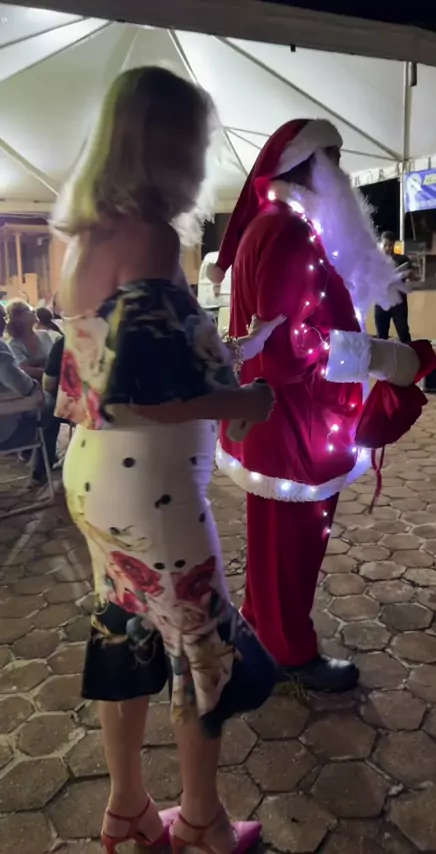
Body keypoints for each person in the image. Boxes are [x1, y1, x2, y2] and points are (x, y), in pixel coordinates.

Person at [52, 66, 283, 854]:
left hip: (94, 476)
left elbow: (97, 379)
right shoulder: (150, 236)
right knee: (202, 652)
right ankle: (204, 823)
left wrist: (219, 357)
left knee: (125, 630)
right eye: (195, 141)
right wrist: (246, 401)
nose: (202, 158)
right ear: (164, 145)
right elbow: (148, 396)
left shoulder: (83, 240)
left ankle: (127, 813)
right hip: (148, 489)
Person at [208, 119, 419, 692]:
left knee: (276, 544)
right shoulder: (287, 232)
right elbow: (288, 348)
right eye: (336, 161)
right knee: (293, 546)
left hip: (281, 422)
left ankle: (262, 627)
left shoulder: (274, 225)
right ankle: (288, 651)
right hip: (294, 425)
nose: (344, 175)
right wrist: (376, 356)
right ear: (311, 167)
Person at [0, 303, 59, 482]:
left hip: (10, 410)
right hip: (6, 434)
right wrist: (36, 388)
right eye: (3, 318)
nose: (4, 322)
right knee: (51, 406)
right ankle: (41, 468)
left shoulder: (44, 336)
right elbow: (23, 385)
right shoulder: (3, 349)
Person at [374, 231, 413, 343]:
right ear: (380, 244)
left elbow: (411, 276)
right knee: (382, 336)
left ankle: (410, 352)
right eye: (385, 245)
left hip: (398, 303)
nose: (388, 248)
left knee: (403, 332)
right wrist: (401, 275)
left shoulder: (402, 260)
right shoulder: (375, 262)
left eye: (390, 245)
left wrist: (410, 275)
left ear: (394, 245)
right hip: (381, 303)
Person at [5, 299, 53, 380]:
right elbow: (24, 370)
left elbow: (55, 360)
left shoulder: (44, 335)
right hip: (31, 385)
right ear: (19, 318)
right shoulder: (13, 345)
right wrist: (50, 373)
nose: (34, 311)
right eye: (28, 309)